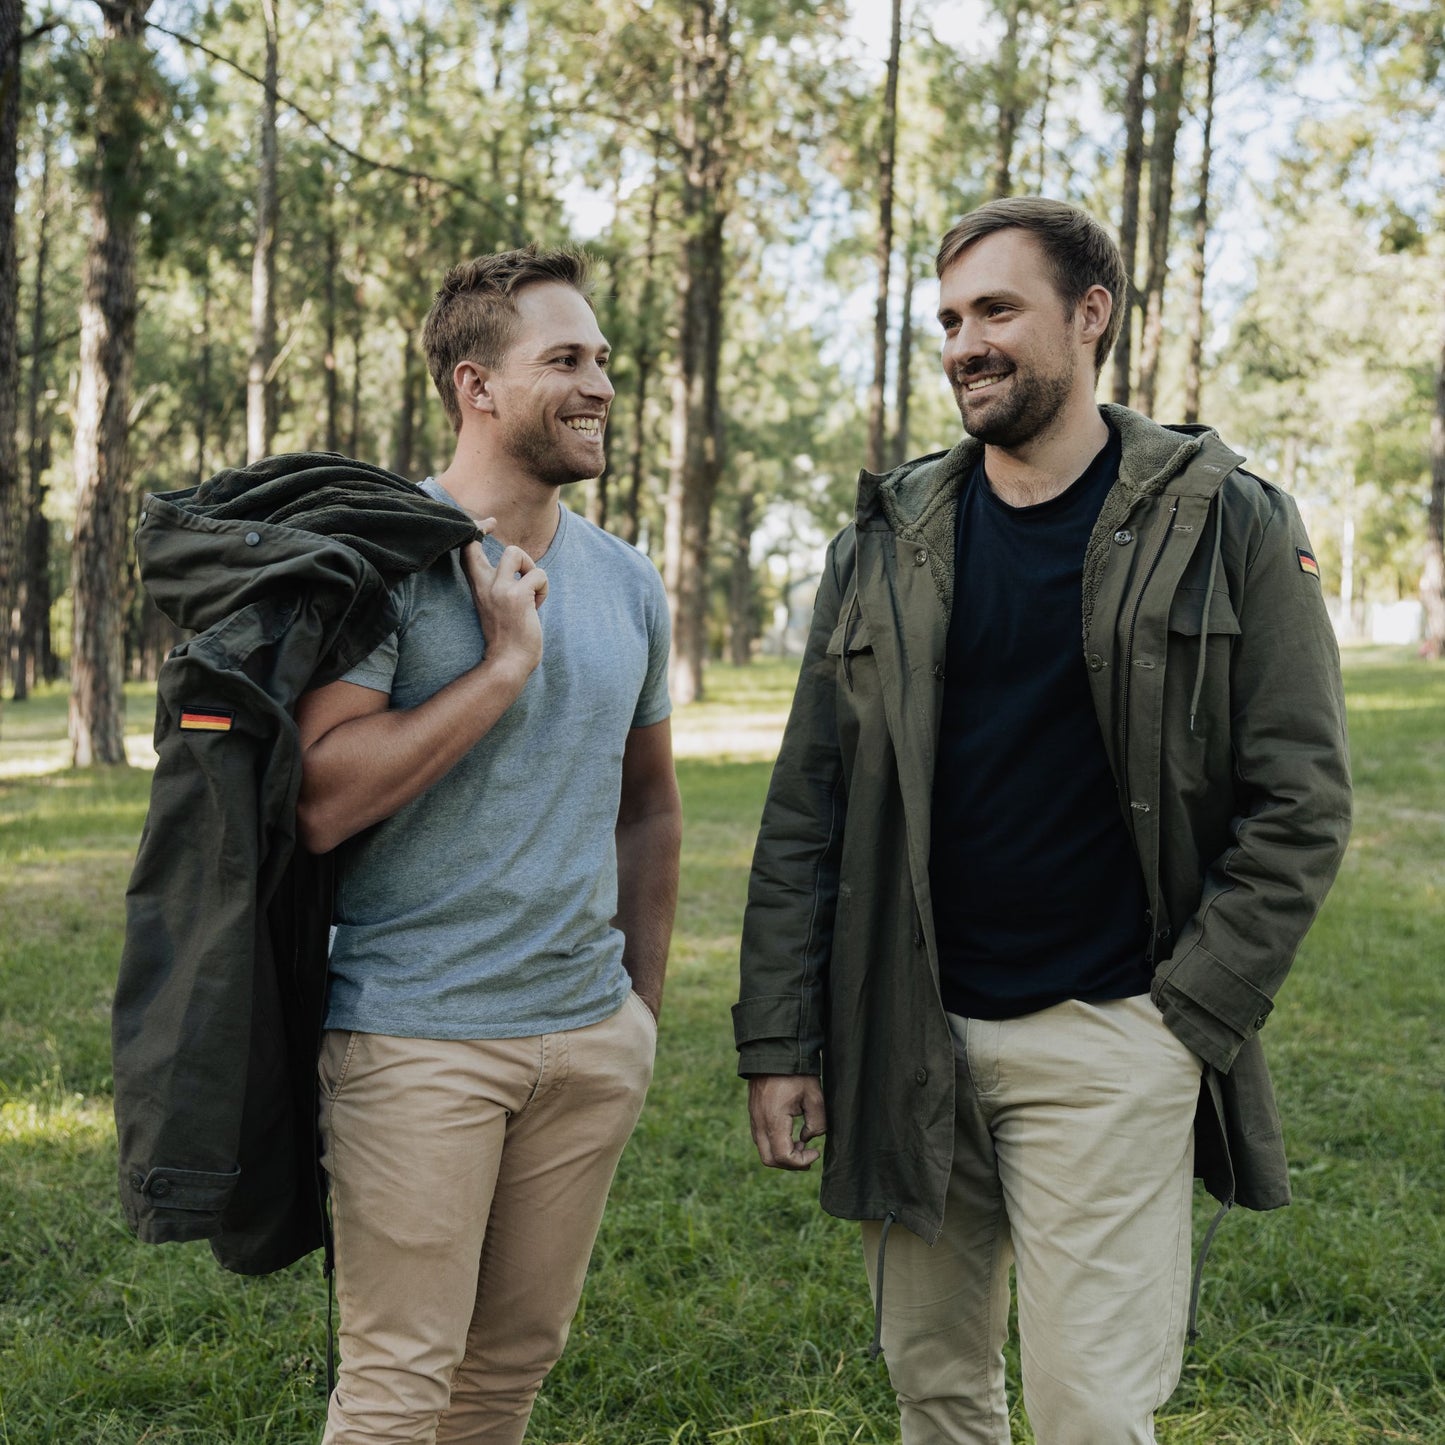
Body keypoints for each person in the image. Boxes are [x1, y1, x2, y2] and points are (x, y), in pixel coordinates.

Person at [734, 198, 1351, 1444]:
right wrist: (780, 1035)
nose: (963, 342)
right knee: (936, 1392)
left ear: (1089, 315)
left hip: (1112, 1034)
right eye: (950, 319)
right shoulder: (888, 535)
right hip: (911, 1035)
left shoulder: (1223, 515)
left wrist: (1187, 1016)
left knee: (1087, 1412)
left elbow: (1302, 796)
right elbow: (812, 795)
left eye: (996, 311)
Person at [295, 245, 682, 1444]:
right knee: (400, 1385)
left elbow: (650, 804)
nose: (601, 385)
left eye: (604, 360)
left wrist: (637, 1013)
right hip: (418, 1037)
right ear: (476, 385)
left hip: (583, 1042)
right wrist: (505, 663)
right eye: (564, 359)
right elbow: (321, 793)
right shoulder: (382, 559)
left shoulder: (626, 581)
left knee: (506, 1372)